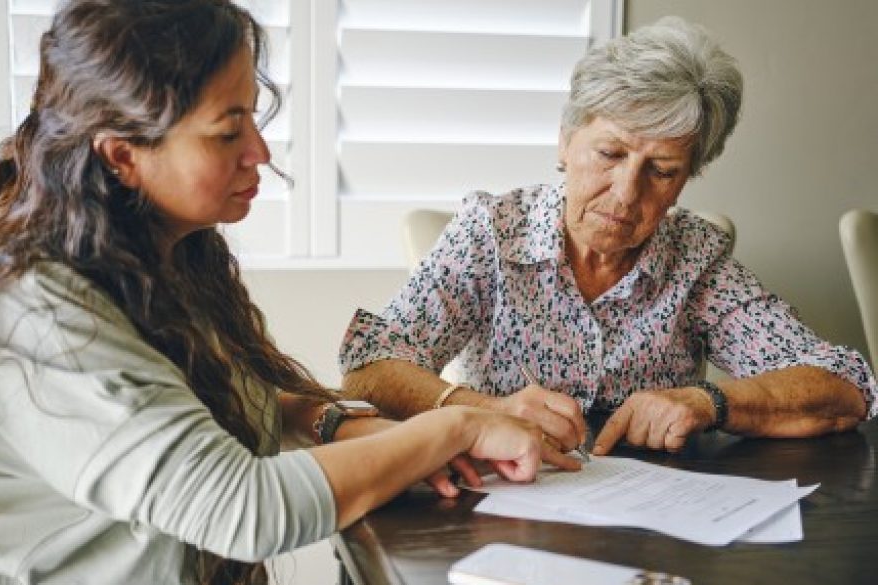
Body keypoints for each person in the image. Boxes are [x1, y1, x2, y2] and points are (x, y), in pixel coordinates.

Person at [0, 2, 577, 584]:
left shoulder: (157, 254)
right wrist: (455, 424)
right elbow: (242, 509)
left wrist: (333, 420)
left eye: (254, 120)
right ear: (122, 156)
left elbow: (223, 401)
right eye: (227, 131)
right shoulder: (37, 310)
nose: (260, 152)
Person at [339, 16, 877, 459]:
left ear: (686, 179)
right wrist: (487, 409)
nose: (625, 193)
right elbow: (369, 366)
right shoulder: (492, 234)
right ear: (566, 142)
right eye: (610, 154)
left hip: (652, 520)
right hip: (505, 500)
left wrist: (707, 401)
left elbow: (845, 384)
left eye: (661, 171)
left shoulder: (696, 259)